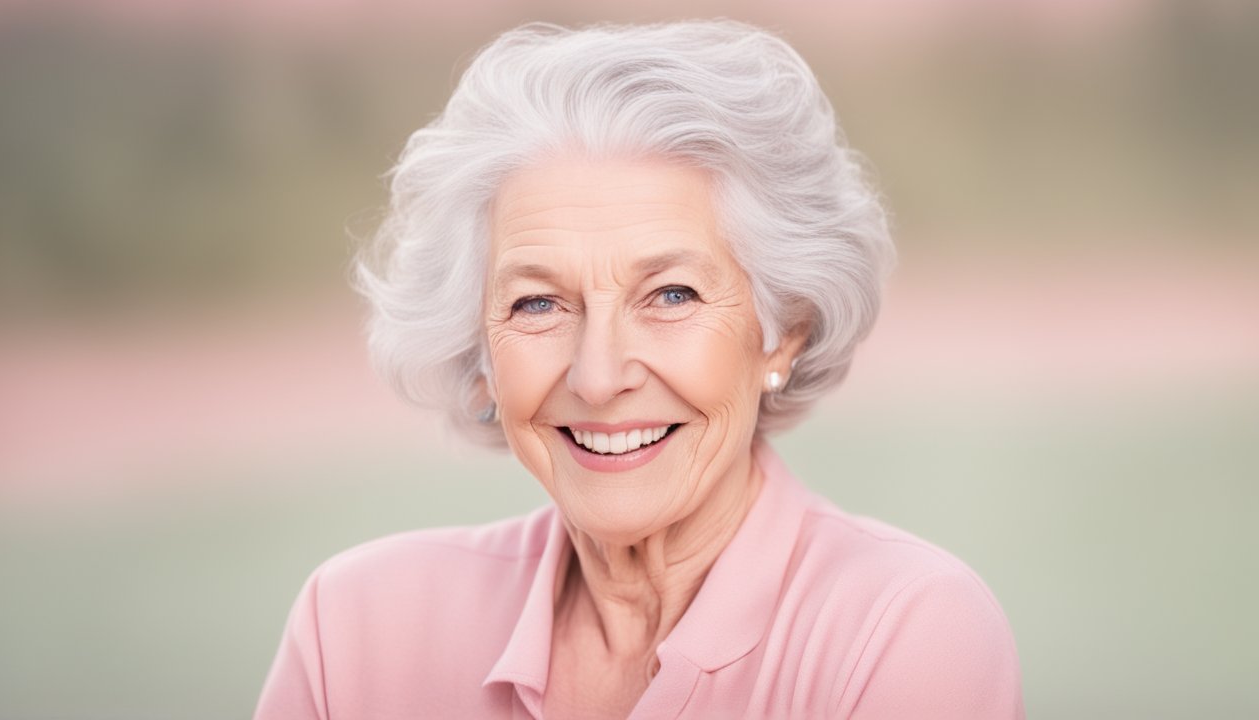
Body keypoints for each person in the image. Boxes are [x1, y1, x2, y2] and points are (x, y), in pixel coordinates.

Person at [255, 20, 1024, 720]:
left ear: (782, 334)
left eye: (671, 294)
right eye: (536, 305)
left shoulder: (903, 634)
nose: (598, 375)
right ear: (479, 354)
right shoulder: (353, 631)